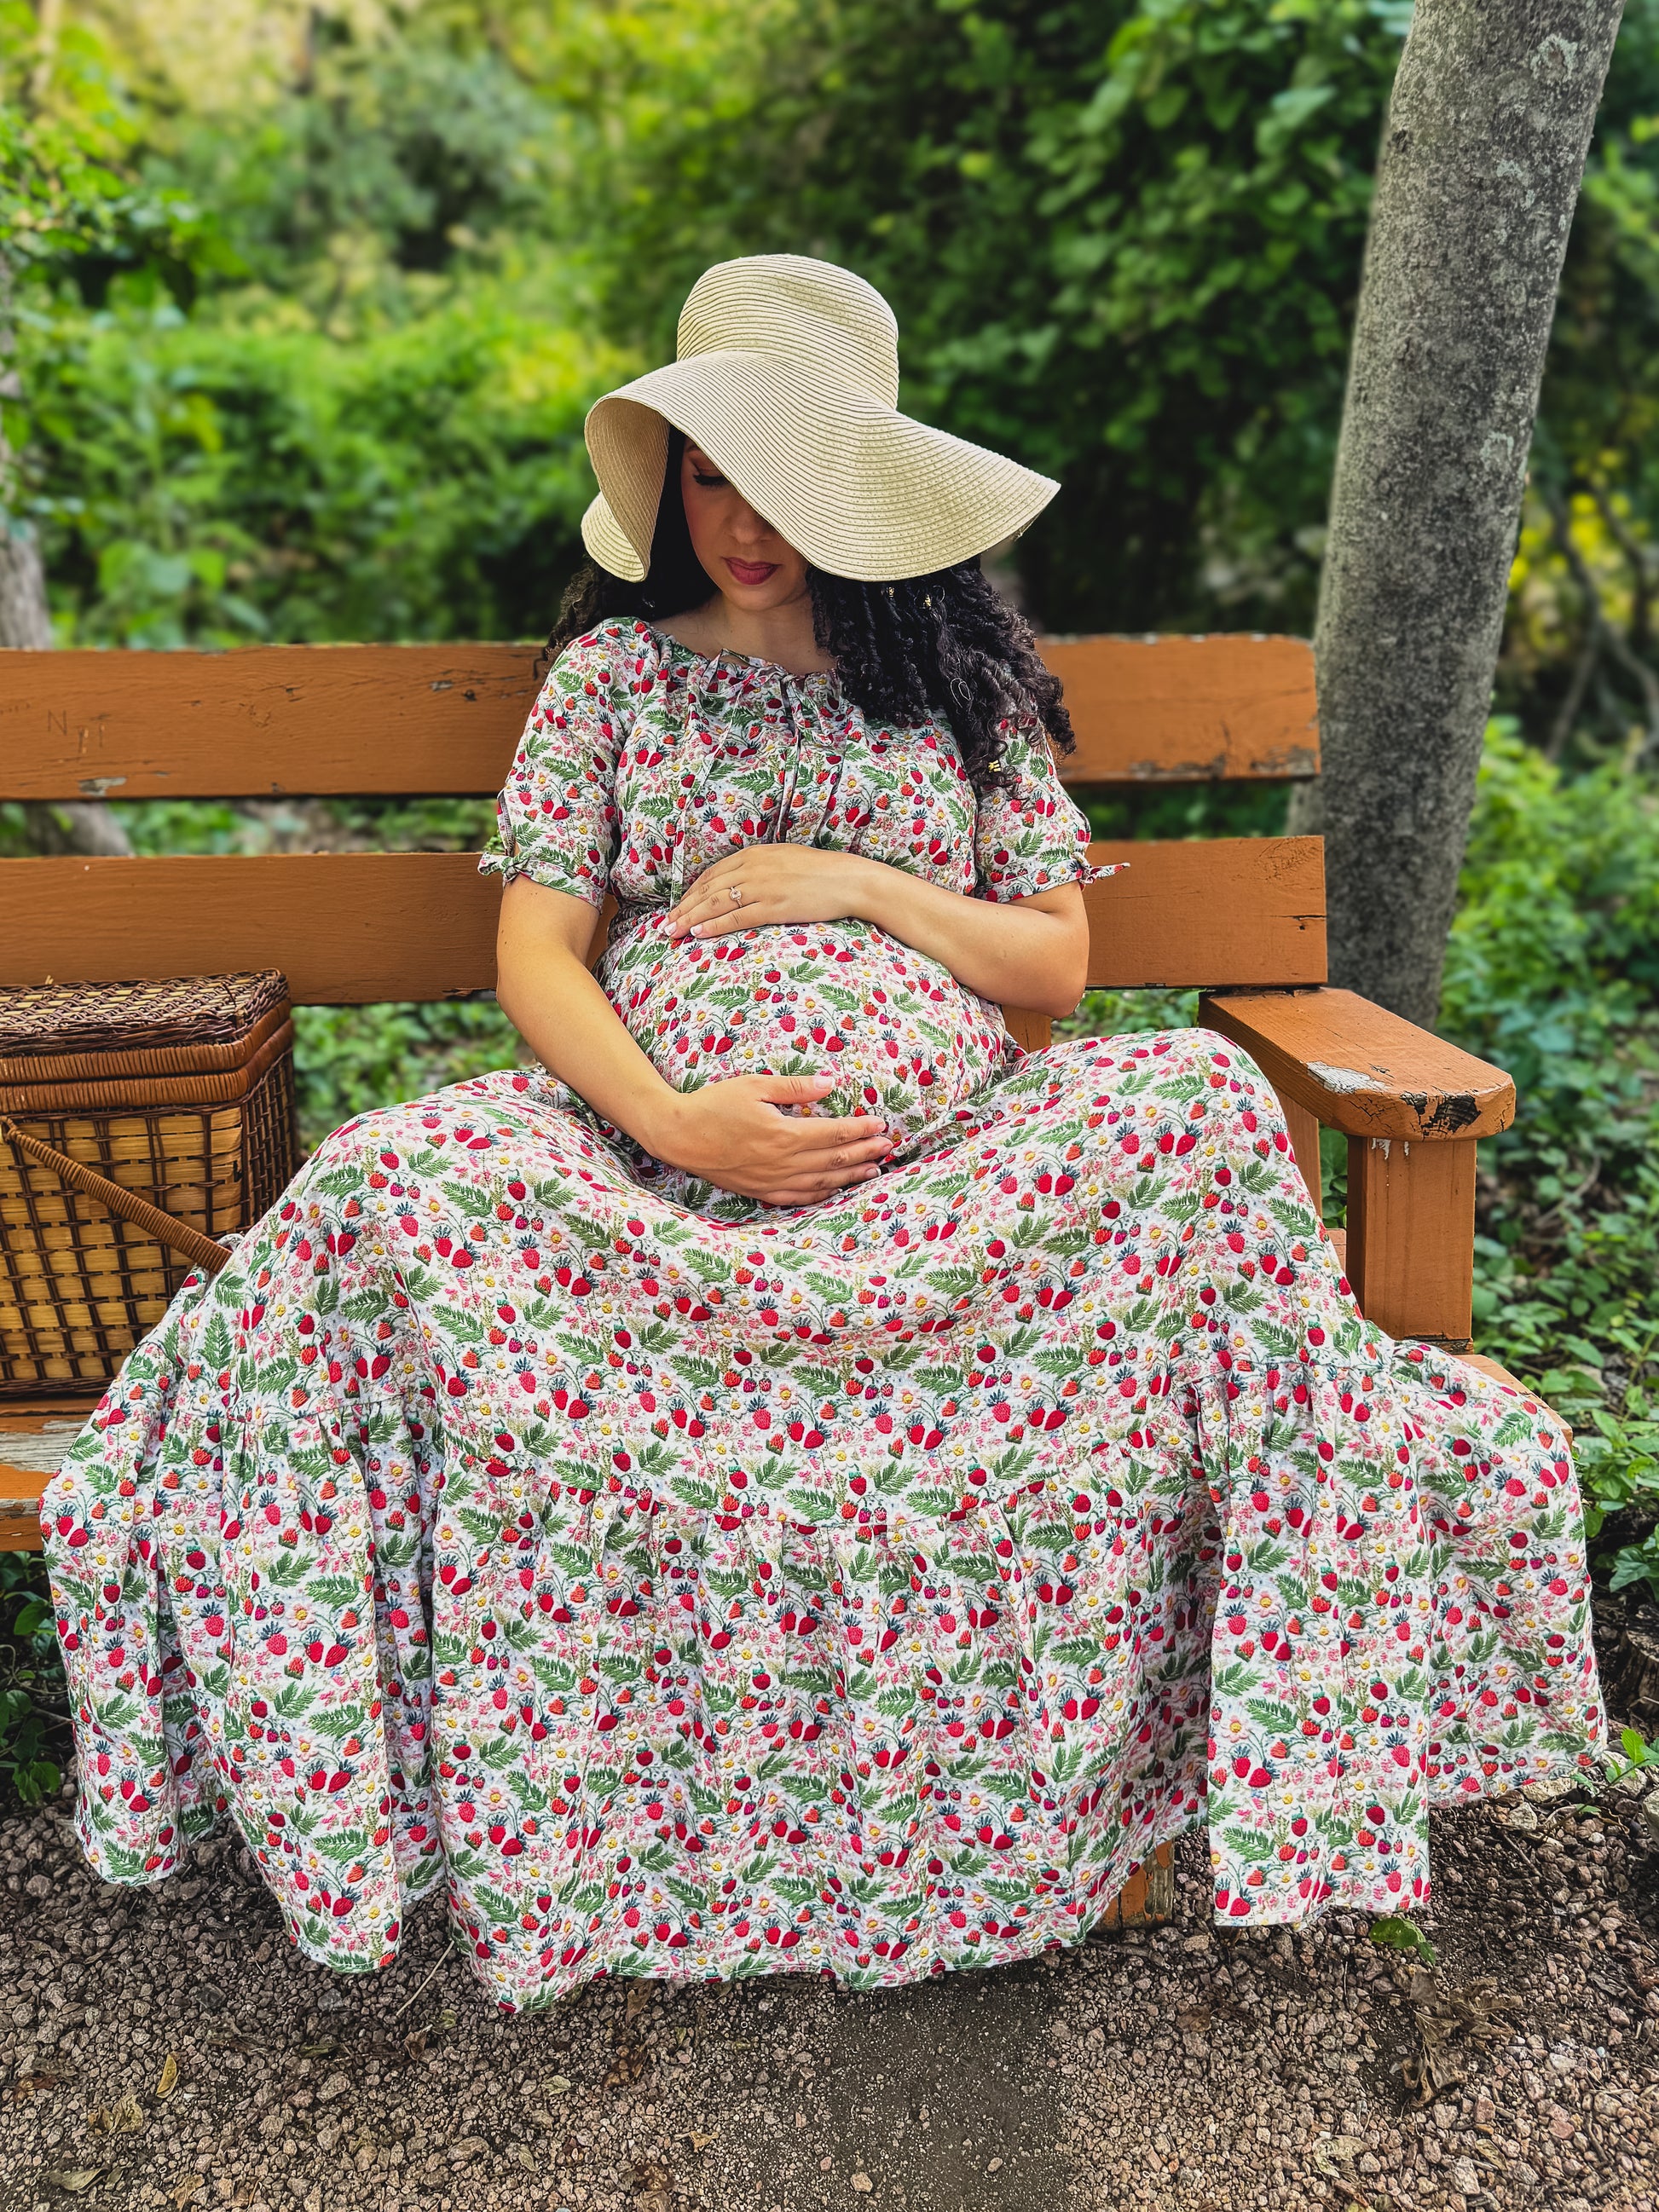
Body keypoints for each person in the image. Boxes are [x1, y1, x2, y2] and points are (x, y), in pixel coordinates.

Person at [41, 255, 1604, 2013]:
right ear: (671, 485)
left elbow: (1053, 969)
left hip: (951, 1181)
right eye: (711, 472)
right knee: (381, 1186)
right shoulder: (616, 682)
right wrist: (678, 1123)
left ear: (858, 491)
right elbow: (533, 954)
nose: (741, 517)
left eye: (781, 479)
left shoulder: (956, 690)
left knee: (1200, 1102)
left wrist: (849, 880)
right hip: (655, 1174)